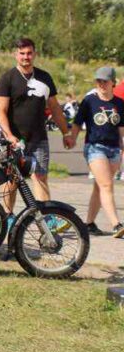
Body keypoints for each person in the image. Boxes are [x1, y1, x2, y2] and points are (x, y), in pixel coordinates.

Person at [0, 38, 74, 224]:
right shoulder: (7, 78)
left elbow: (55, 108)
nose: (26, 57)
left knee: (40, 176)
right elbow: (1, 113)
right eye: (22, 53)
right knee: (12, 180)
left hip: (39, 138)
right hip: (12, 139)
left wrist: (66, 133)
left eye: (29, 53)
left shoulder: (45, 77)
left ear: (34, 54)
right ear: (16, 55)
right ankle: (8, 216)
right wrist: (9, 136)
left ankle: (47, 219)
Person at [67, 67, 124, 238]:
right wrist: (72, 139)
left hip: (114, 149)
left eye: (105, 81)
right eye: (98, 81)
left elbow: (121, 129)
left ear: (113, 82)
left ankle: (89, 223)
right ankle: (116, 224)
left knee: (100, 187)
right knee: (107, 185)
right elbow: (77, 123)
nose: (101, 84)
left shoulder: (120, 104)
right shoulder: (89, 101)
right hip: (94, 147)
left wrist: (122, 149)